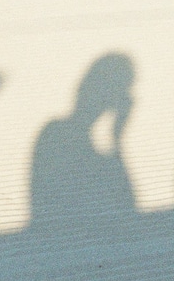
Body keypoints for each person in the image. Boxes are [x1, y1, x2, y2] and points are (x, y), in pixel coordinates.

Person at [29, 53, 137, 229]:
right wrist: (117, 138)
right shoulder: (57, 136)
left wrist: (117, 138)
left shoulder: (63, 135)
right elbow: (123, 204)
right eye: (121, 90)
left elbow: (126, 207)